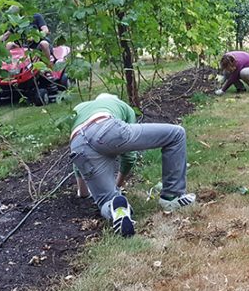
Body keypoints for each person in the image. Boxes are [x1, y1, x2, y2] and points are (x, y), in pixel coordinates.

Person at [70, 93, 196, 236]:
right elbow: (128, 156)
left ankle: (118, 209)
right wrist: (118, 185)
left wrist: (83, 192)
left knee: (106, 199)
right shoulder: (122, 106)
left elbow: (77, 165)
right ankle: (172, 197)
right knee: (176, 134)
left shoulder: (79, 108)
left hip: (78, 145)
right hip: (106, 128)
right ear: (113, 100)